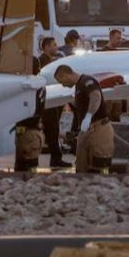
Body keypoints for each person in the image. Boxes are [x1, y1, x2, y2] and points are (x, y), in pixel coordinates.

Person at [53, 63, 114, 174]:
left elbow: (96, 96)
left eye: (61, 82)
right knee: (82, 166)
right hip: (87, 130)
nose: (63, 85)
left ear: (65, 75)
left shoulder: (87, 81)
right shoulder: (79, 86)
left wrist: (89, 115)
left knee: (99, 165)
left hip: (98, 128)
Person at [37, 37, 71, 168]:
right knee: (52, 130)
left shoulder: (53, 61)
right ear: (46, 47)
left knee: (54, 130)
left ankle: (56, 158)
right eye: (54, 44)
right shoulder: (42, 62)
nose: (56, 47)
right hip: (48, 100)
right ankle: (56, 159)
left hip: (53, 100)